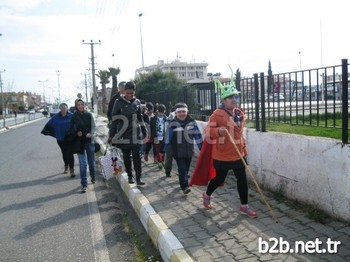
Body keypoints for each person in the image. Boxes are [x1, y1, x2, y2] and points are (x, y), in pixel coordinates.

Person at [190, 78, 257, 218]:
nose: (234, 100)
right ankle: (207, 194)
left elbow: (239, 131)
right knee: (219, 178)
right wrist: (218, 131)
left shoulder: (239, 112)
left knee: (242, 179)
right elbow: (208, 131)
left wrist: (243, 146)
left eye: (235, 97)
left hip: (238, 151)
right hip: (222, 153)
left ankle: (244, 206)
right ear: (223, 100)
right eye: (230, 98)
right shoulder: (217, 114)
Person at [108, 81, 147, 186]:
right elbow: (114, 120)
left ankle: (139, 178)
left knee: (137, 157)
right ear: (124, 91)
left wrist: (144, 130)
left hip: (135, 134)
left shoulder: (137, 102)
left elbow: (140, 117)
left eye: (132, 93)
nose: (129, 95)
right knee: (126, 156)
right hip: (123, 134)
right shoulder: (118, 102)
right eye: (128, 93)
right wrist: (111, 135)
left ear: (134, 92)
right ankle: (130, 176)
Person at [162, 103, 202, 194]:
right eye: (179, 112)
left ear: (187, 112)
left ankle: (184, 180)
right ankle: (184, 186)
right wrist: (162, 150)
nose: (181, 114)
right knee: (182, 168)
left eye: (183, 111)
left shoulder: (192, 123)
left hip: (189, 151)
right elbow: (167, 138)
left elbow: (197, 136)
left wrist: (201, 147)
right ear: (175, 113)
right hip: (178, 151)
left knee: (186, 168)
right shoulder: (172, 124)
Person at [69, 98, 96, 193]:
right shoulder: (74, 116)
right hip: (79, 142)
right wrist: (76, 132)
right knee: (82, 163)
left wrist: (91, 134)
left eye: (82, 104)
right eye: (78, 105)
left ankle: (93, 176)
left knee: (91, 162)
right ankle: (84, 184)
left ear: (84, 105)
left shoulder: (89, 115)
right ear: (76, 106)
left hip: (89, 141)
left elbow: (94, 127)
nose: (80, 106)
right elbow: (70, 128)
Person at [41, 102, 75, 176]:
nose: (63, 110)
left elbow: (76, 124)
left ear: (67, 108)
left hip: (70, 138)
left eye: (65, 108)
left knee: (70, 153)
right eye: (62, 108)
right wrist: (46, 131)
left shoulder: (72, 116)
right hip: (60, 138)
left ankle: (72, 169)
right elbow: (49, 124)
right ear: (60, 109)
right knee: (64, 153)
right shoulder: (56, 117)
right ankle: (66, 166)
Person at [150, 104, 167, 169]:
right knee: (157, 149)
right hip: (156, 136)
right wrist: (151, 136)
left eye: (162, 112)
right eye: (160, 112)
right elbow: (151, 128)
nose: (161, 113)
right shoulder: (153, 118)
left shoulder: (166, 118)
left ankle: (162, 160)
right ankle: (160, 162)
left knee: (163, 149)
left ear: (164, 111)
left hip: (163, 136)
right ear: (157, 111)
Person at [164, 106, 176, 177]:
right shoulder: (170, 118)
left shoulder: (168, 119)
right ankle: (167, 171)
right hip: (171, 141)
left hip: (171, 140)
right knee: (170, 156)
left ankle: (167, 171)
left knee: (169, 156)